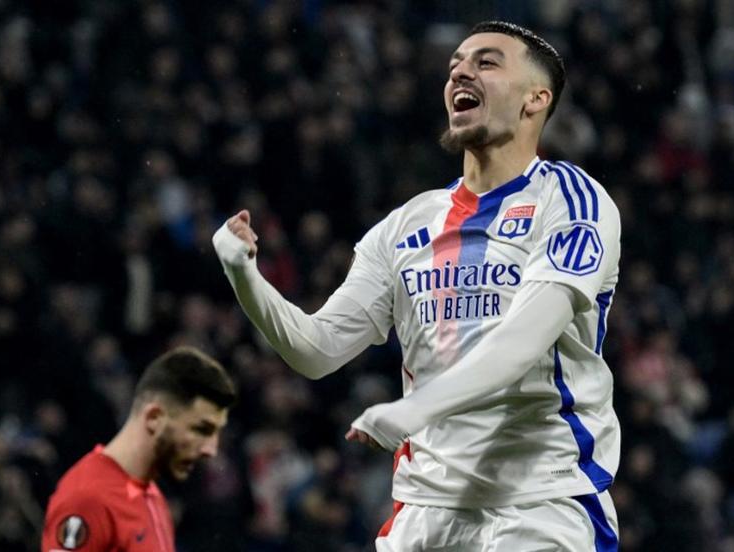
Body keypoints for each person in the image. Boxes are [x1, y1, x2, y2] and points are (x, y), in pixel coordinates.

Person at [214, 19, 622, 551]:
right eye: (456, 63)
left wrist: (411, 411)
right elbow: (316, 350)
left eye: (486, 62)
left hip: (541, 507)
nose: (460, 71)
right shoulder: (405, 226)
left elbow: (521, 343)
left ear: (535, 99)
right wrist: (244, 274)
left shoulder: (571, 201)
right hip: (424, 516)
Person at [41, 346, 236, 552]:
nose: (211, 449)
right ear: (154, 419)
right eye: (199, 429)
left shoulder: (153, 497)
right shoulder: (87, 497)